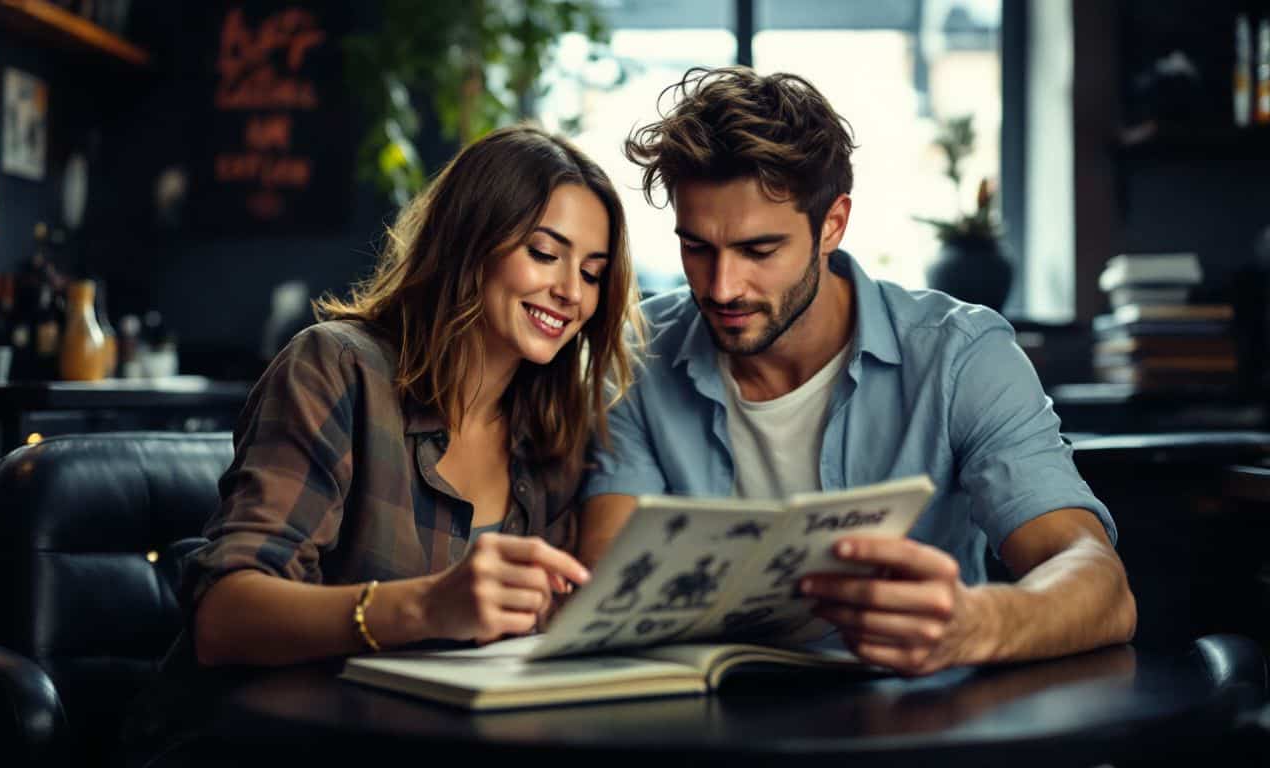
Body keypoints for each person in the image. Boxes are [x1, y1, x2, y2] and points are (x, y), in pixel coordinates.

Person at [577, 66, 1136, 676]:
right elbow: (610, 589)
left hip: (915, 721)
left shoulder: (960, 356)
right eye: (696, 247)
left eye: (759, 251)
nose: (722, 286)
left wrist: (976, 624)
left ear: (832, 225)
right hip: (701, 722)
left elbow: (1099, 585)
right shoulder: (638, 353)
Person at [180, 123, 640, 667]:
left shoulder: (555, 425)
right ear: (471, 241)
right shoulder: (338, 368)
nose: (571, 291)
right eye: (543, 253)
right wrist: (427, 606)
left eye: (592, 274)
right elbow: (222, 618)